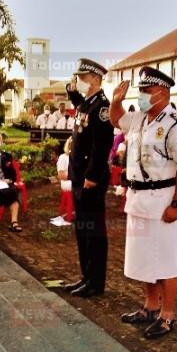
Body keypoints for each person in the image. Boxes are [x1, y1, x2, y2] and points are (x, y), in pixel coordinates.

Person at [110, 67, 177, 339]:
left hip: (163, 201)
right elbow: (116, 120)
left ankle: (167, 316)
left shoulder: (175, 127)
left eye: (147, 91)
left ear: (163, 93)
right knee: (145, 258)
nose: (142, 95)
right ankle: (149, 306)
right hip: (138, 199)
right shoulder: (139, 120)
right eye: (141, 91)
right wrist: (115, 101)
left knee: (168, 261)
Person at [63, 58, 113, 298]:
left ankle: (95, 282)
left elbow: (101, 146)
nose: (79, 81)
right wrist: (72, 93)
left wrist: (92, 176)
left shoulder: (102, 108)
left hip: (90, 179)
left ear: (95, 78)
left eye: (82, 78)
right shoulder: (87, 104)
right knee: (82, 231)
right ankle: (86, 276)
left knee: (93, 231)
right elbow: (81, 109)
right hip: (79, 176)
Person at [55, 137, 74, 224]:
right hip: (67, 182)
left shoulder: (79, 158)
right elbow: (61, 176)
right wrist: (76, 177)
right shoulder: (63, 157)